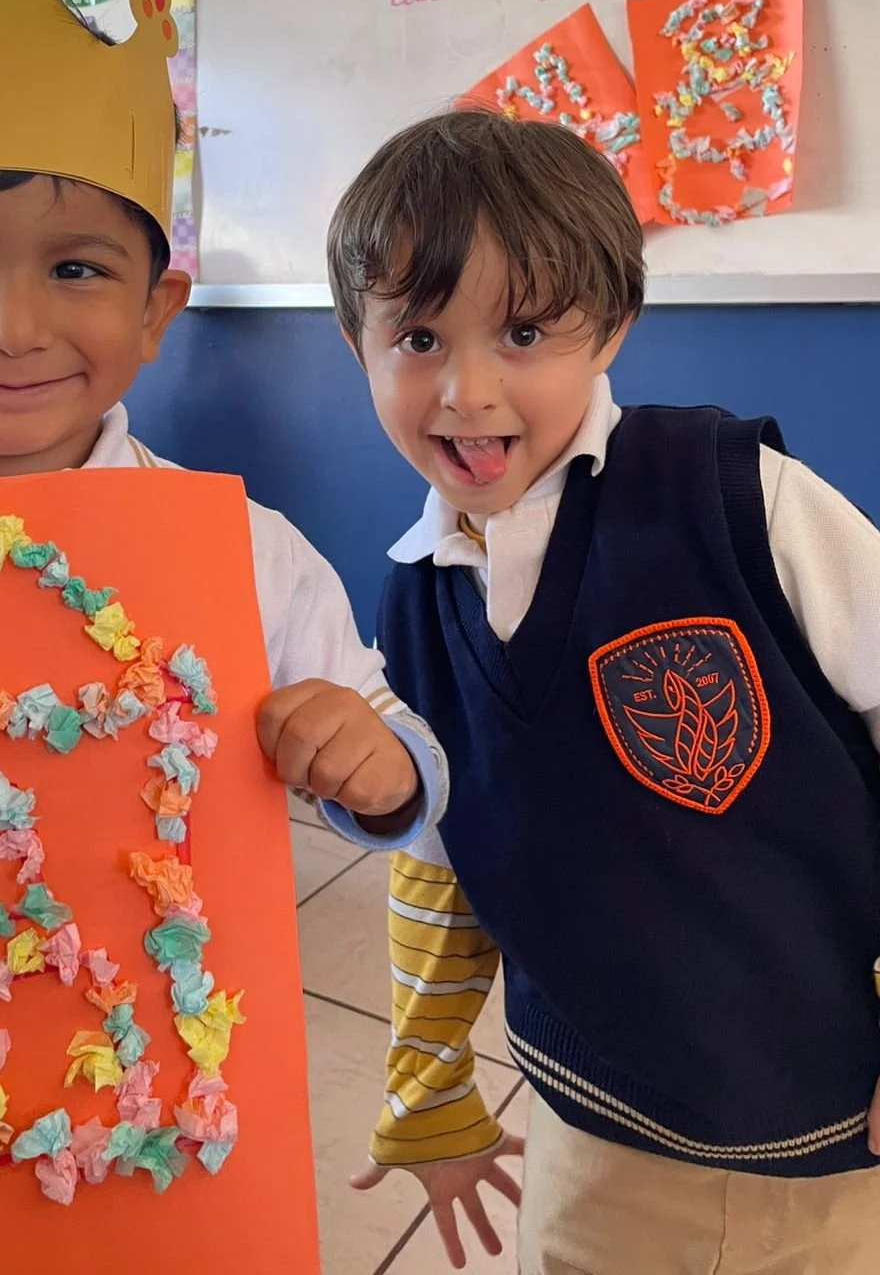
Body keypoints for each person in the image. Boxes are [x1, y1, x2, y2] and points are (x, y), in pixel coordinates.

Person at [329, 107, 880, 1274]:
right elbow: (441, 855)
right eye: (417, 338)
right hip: (596, 1130)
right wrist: (427, 1080)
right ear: (356, 341)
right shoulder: (415, 602)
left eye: (523, 331)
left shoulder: (737, 495)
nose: (467, 392)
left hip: (839, 1132)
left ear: (612, 324)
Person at [0, 0, 446, 851]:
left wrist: (379, 767)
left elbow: (390, 733)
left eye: (76, 271)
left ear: (154, 312)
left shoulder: (241, 552)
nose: (11, 330)